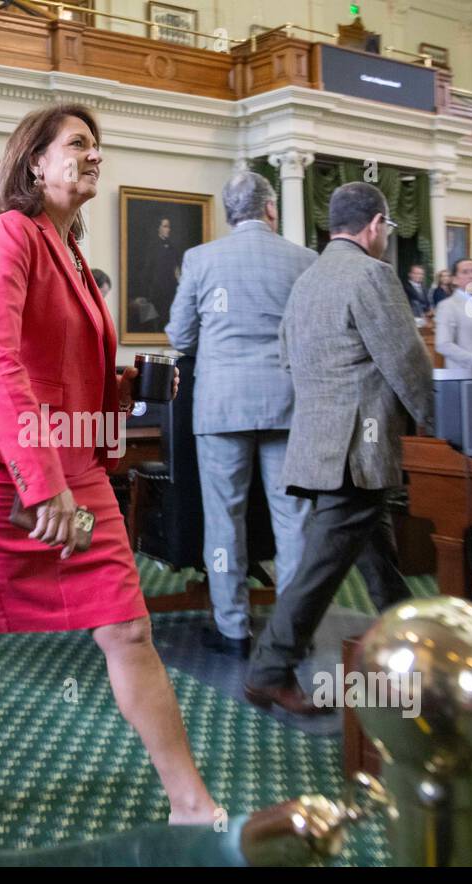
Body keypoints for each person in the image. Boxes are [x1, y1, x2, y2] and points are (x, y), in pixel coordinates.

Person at [0, 103, 218, 848]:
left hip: (72, 471)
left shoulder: (73, 252)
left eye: (98, 146)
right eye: (79, 143)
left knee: (130, 628)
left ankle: (191, 803)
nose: (95, 156)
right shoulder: (7, 235)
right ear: (34, 162)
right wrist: (39, 478)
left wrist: (88, 463)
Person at [245, 182, 434, 714]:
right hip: (358, 450)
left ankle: (409, 642)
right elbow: (406, 362)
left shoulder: (308, 280)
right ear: (375, 225)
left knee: (377, 558)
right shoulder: (372, 274)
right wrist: (443, 426)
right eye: (387, 229)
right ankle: (269, 671)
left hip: (321, 443)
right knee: (319, 568)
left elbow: (288, 360)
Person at [166, 170, 316, 658]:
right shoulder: (303, 260)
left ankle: (232, 628)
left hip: (222, 405)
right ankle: (293, 631)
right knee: (293, 518)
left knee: (224, 519)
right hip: (287, 404)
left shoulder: (201, 259)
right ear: (270, 209)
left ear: (230, 213)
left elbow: (180, 336)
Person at [143, 216, 182, 321]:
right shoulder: (152, 246)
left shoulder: (172, 247)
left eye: (168, 227)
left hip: (171, 288)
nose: (168, 229)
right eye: (165, 226)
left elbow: (177, 268)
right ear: (158, 228)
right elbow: (149, 270)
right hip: (158, 290)